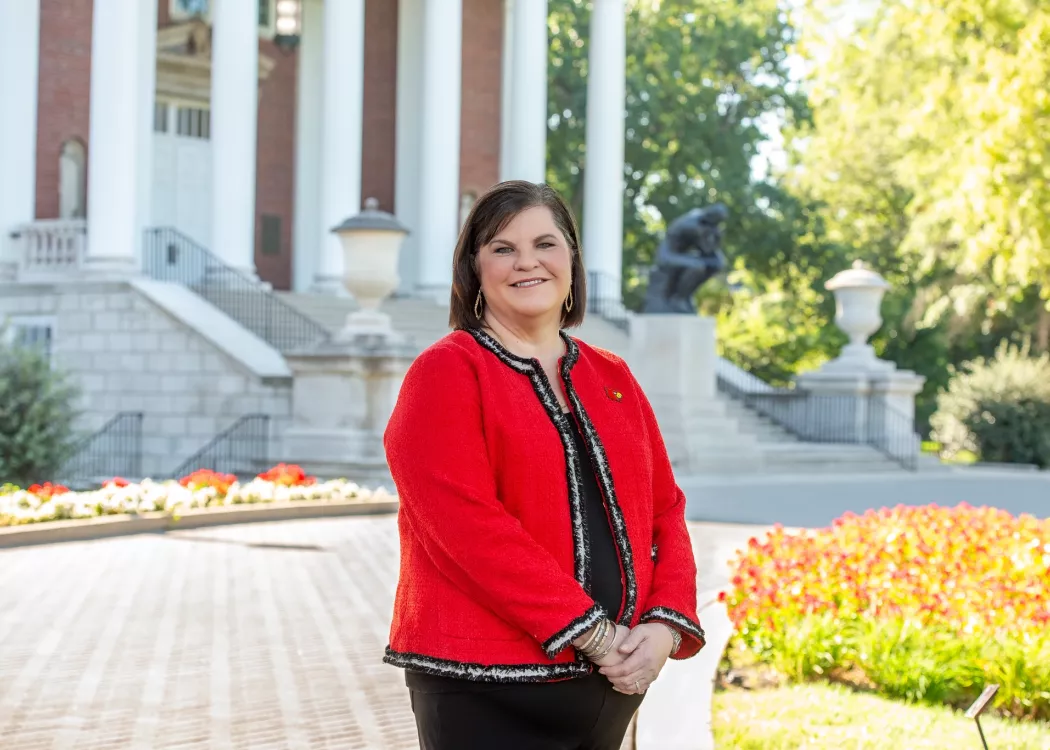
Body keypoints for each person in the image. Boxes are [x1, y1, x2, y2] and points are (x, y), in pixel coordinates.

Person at [383, 180, 705, 749]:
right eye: (503, 248)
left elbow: (666, 510)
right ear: (474, 269)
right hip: (484, 691)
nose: (526, 262)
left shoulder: (613, 376)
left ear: (572, 261)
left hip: (612, 686)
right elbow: (465, 526)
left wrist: (662, 625)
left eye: (545, 244)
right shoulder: (447, 371)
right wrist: (598, 637)